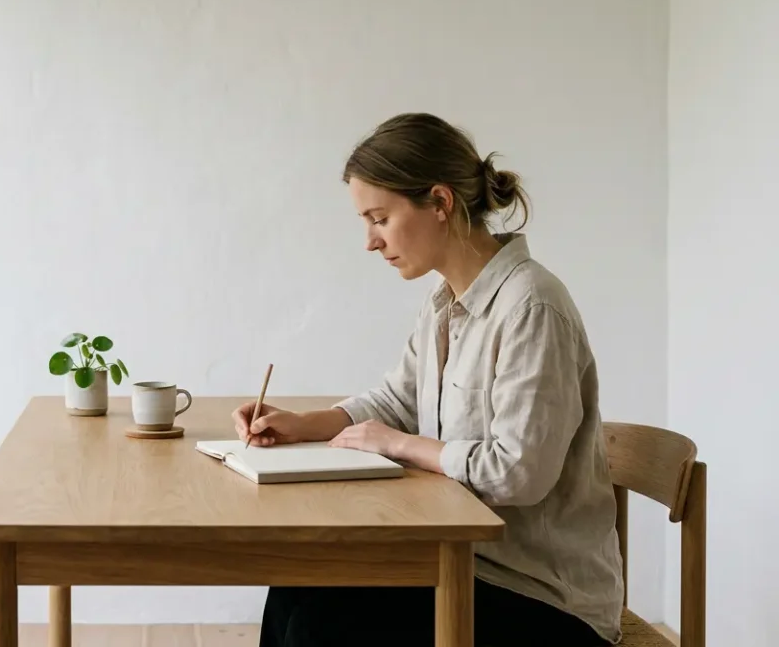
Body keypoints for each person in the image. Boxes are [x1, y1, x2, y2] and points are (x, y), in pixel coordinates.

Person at [233, 113, 623, 646]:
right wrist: (306, 424)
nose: (370, 241)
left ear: (440, 202)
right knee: (296, 585)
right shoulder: (444, 304)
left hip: (542, 598)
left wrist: (400, 445)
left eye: (380, 218)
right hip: (463, 561)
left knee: (319, 626)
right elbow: (398, 398)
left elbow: (520, 473)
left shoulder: (532, 307)